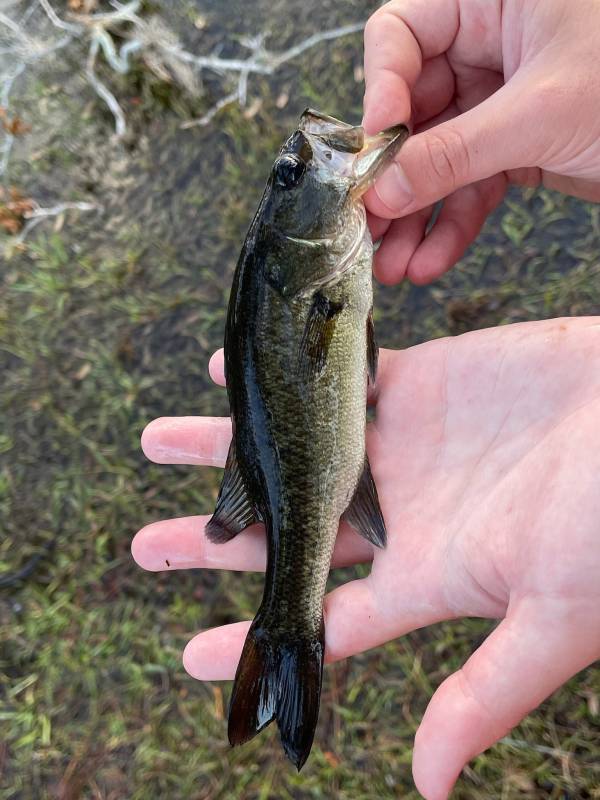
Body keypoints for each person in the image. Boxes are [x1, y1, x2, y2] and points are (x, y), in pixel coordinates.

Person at [132, 2, 600, 798]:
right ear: (290, 235)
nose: (304, 159)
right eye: (293, 176)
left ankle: (287, 621)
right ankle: (291, 621)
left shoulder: (306, 273)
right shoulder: (296, 275)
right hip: (318, 452)